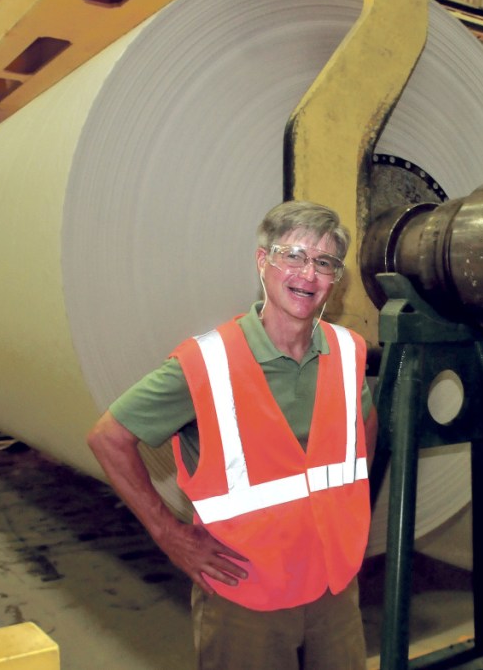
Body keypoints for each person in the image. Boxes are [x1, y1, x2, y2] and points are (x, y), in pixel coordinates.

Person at [86, 200, 378, 670]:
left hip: (335, 590)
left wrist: (346, 523)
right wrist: (169, 534)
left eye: (324, 263)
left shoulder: (348, 352)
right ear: (263, 261)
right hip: (246, 595)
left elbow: (364, 435)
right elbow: (108, 437)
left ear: (334, 280)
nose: (309, 273)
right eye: (294, 255)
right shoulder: (207, 362)